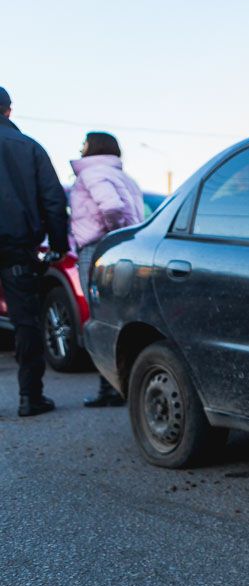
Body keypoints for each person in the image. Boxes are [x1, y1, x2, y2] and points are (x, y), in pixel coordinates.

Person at [0, 86, 70, 417]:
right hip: (17, 248)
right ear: (8, 110)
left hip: (17, 245)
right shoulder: (29, 147)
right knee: (26, 321)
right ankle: (30, 397)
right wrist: (58, 246)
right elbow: (54, 200)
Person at [69, 130, 143, 407]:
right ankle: (120, 386)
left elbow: (112, 207)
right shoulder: (124, 177)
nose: (81, 147)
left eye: (85, 143)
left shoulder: (91, 173)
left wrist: (111, 235)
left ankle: (109, 388)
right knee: (119, 317)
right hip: (124, 251)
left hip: (97, 249)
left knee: (100, 318)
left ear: (95, 146)